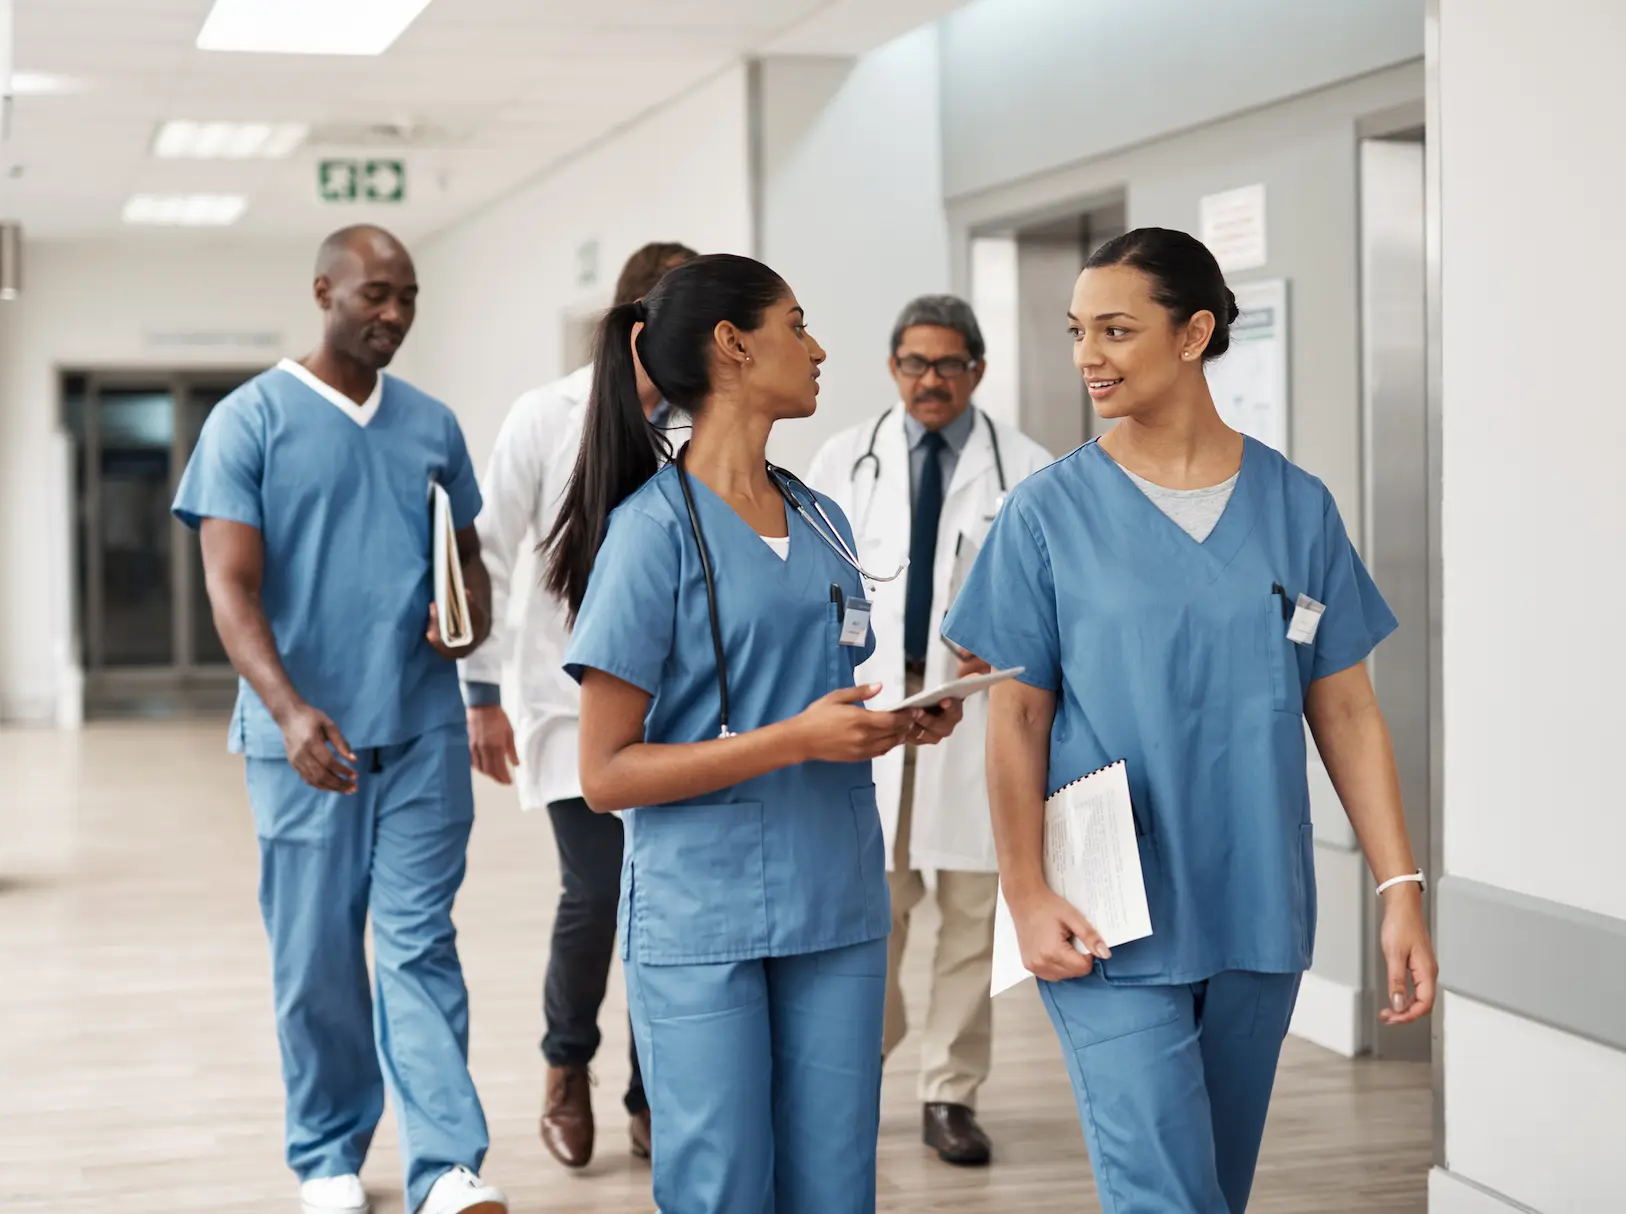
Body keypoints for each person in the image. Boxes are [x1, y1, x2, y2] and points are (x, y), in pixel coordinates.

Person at [942, 227, 1437, 1214]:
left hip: (1256, 901)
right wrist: (1026, 889)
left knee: (1213, 1189)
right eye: (1079, 329)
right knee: (1165, 1195)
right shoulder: (1046, 514)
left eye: (1117, 329)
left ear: (1195, 331)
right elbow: (1015, 721)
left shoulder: (1296, 506)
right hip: (1105, 916)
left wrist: (1399, 885)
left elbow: (1341, 702)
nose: (1090, 354)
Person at [543, 253, 964, 1213]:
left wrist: (899, 716)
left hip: (838, 899)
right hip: (705, 914)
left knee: (833, 1183)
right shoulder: (650, 536)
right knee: (723, 1184)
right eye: (797, 324)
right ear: (734, 346)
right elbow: (604, 775)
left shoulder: (820, 517)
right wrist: (795, 741)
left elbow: (819, 693)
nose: (819, 349)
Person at [173, 225, 509, 1214]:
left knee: (417, 944)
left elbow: (470, 557)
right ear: (325, 289)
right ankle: (326, 1154)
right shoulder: (250, 422)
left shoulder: (432, 425)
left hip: (421, 729)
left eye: (408, 297)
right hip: (302, 741)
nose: (393, 315)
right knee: (316, 953)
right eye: (375, 295)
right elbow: (230, 588)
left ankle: (444, 1164)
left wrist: (471, 613)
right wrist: (287, 709)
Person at [459, 240, 696, 1168]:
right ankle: (567, 1067)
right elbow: (480, 551)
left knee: (665, 901)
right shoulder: (544, 415)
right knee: (597, 893)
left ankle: (651, 1089)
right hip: (566, 704)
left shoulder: (704, 417)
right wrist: (481, 690)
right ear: (636, 326)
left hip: (680, 707)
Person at [804, 294, 1051, 1166]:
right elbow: (814, 582)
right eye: (914, 363)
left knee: (973, 916)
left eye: (949, 364)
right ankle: (865, 1058)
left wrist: (995, 649)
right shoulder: (846, 458)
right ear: (893, 368)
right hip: (878, 708)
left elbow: (1046, 602)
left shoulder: (1026, 467)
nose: (930, 380)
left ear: (977, 369)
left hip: (977, 711)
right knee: (877, 906)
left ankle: (950, 1092)